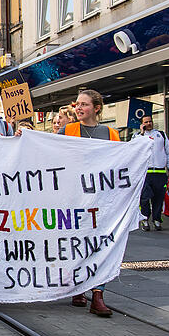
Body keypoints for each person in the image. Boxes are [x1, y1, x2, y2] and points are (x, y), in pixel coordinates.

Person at [59, 89, 119, 317]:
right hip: (74, 199)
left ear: (97, 108)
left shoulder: (110, 133)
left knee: (100, 245)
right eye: (77, 104)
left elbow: (119, 163)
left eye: (84, 104)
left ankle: (98, 295)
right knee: (76, 244)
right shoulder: (68, 131)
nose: (79, 108)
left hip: (101, 200)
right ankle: (77, 287)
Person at [132, 114, 169, 231]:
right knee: (145, 198)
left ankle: (156, 219)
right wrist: (141, 133)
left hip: (160, 172)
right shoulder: (138, 136)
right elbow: (133, 148)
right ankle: (145, 219)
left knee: (158, 197)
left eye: (150, 121)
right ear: (142, 124)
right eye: (146, 122)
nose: (148, 124)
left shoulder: (161, 135)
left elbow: (168, 152)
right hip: (145, 173)